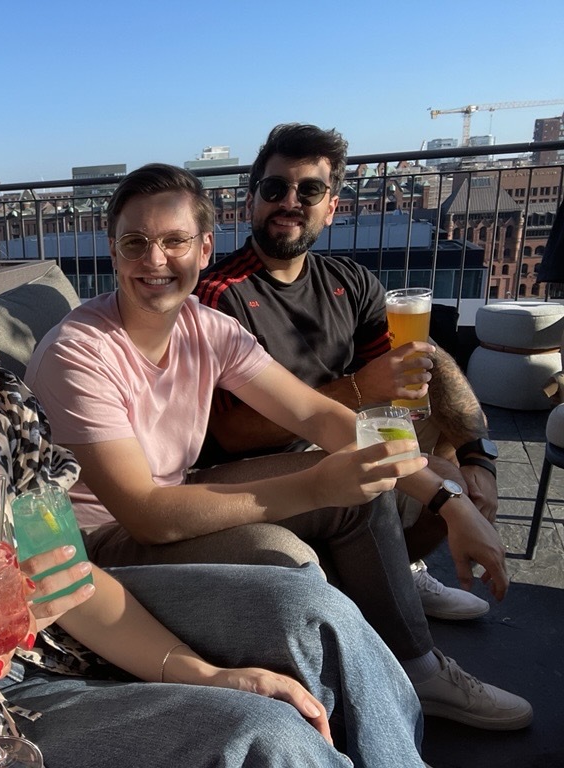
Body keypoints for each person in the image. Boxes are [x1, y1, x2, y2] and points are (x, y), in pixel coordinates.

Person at [0, 179, 426, 767]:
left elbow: (68, 577)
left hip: (51, 650)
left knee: (312, 612)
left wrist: (204, 674)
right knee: (266, 734)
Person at [25, 162, 532, 731]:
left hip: (172, 494)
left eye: (174, 241)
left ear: (205, 247)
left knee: (354, 486)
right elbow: (145, 516)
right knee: (285, 554)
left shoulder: (206, 328)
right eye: (135, 243)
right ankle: (332, 714)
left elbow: (318, 414)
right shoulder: (79, 353)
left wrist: (448, 500)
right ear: (114, 252)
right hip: (97, 545)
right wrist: (317, 484)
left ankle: (417, 670)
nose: (155, 260)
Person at [196, 123, 499, 622]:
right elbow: (230, 434)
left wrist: (478, 457)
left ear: (332, 206)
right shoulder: (219, 294)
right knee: (442, 482)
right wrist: (361, 389)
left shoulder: (348, 280)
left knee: (443, 421)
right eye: (275, 189)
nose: (290, 201)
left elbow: (421, 364)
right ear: (252, 200)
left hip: (334, 430)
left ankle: (397, 573)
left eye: (309, 190)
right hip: (265, 457)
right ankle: (391, 597)